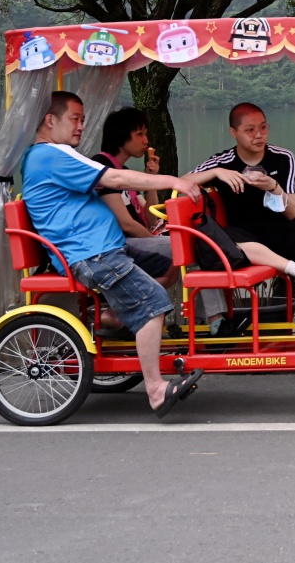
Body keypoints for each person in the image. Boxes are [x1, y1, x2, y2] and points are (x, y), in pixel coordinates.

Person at [21, 91, 204, 414]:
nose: (80, 127)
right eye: (74, 119)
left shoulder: (51, 157)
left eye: (83, 120)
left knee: (174, 255)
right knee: (153, 304)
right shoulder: (52, 155)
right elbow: (114, 177)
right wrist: (171, 179)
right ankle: (156, 389)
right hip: (94, 256)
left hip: (108, 248)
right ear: (50, 120)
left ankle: (118, 315)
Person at [186, 103, 295, 330]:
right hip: (245, 239)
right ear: (234, 132)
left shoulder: (284, 158)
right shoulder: (224, 162)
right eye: (250, 130)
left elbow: (292, 212)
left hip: (282, 233)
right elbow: (182, 180)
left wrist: (274, 187)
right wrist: (217, 172)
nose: (258, 135)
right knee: (227, 236)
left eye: (263, 128)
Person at [94, 108, 173, 282]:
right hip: (117, 245)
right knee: (186, 247)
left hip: (137, 240)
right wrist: (154, 241)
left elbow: (150, 219)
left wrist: (151, 180)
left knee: (189, 246)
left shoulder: (124, 171)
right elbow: (126, 223)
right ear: (121, 136)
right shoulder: (103, 167)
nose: (146, 141)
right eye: (140, 134)